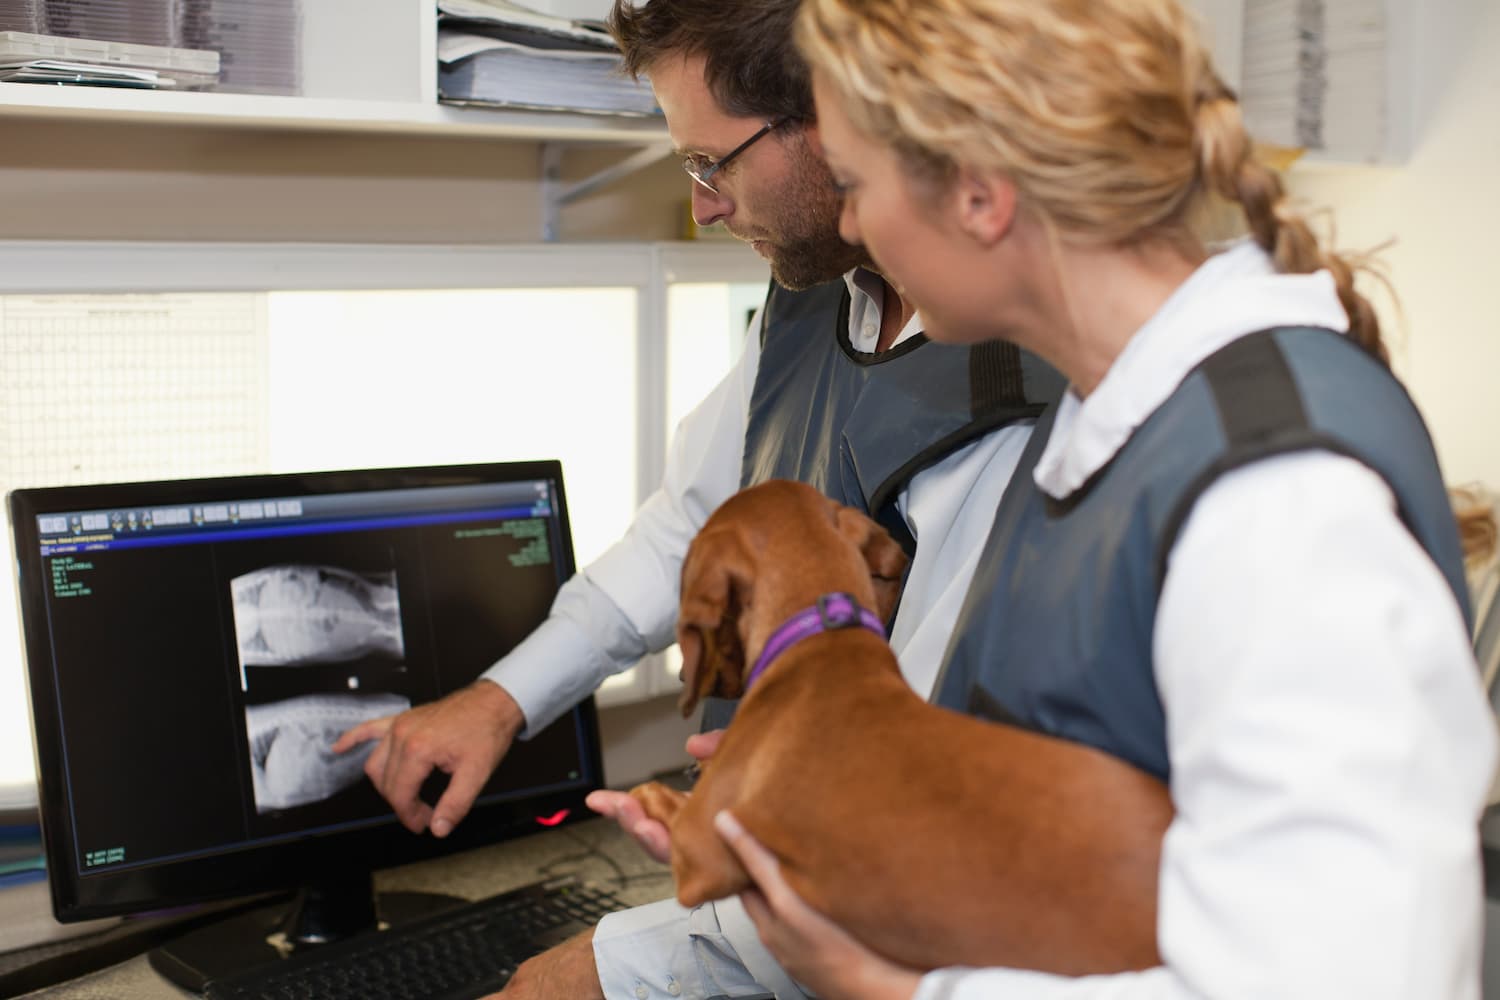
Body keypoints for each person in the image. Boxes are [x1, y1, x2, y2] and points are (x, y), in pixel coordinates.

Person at [695, 0, 1500, 998]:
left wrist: (894, 991)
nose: (850, 222)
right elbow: (1075, 777)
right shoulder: (1107, 417)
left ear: (982, 196)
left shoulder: (1272, 496)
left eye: (856, 184)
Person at [334, 0, 1058, 995]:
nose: (702, 205)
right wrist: (502, 701)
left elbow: (919, 781)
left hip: (873, 916)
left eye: (712, 162)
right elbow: (689, 519)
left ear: (830, 119)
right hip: (762, 858)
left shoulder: (1011, 393)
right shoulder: (813, 296)